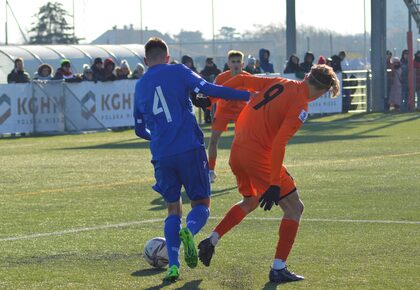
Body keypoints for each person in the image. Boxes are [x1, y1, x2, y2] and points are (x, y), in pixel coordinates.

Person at [198, 64, 340, 284]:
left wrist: (211, 99)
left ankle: (211, 240)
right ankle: (278, 268)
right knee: (294, 208)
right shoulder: (301, 106)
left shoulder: (280, 81)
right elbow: (278, 145)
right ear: (321, 91)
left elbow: (242, 79)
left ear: (307, 77)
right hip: (258, 157)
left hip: (237, 151)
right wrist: (274, 183)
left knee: (250, 200)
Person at [133, 37, 252, 282]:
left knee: (173, 209)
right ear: (167, 57)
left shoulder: (140, 85)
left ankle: (173, 266)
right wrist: (246, 95)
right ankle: (190, 230)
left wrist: (157, 137)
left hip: (162, 155)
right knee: (201, 205)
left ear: (146, 61)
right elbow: (209, 90)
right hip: (189, 148)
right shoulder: (177, 70)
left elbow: (139, 128)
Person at [207, 50, 250, 183]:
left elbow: (256, 96)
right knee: (213, 139)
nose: (236, 64)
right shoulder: (221, 78)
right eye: (233, 61)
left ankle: (246, 169)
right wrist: (209, 107)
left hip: (241, 111)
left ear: (242, 64)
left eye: (238, 61)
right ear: (228, 64)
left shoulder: (249, 77)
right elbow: (212, 93)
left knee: (244, 142)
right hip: (223, 111)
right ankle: (211, 171)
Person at [200, 57, 222, 123]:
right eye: (209, 62)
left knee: (215, 105)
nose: (210, 64)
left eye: (211, 62)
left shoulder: (217, 71)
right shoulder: (203, 72)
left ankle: (215, 117)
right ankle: (207, 118)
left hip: (215, 91)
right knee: (206, 105)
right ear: (206, 63)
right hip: (206, 91)